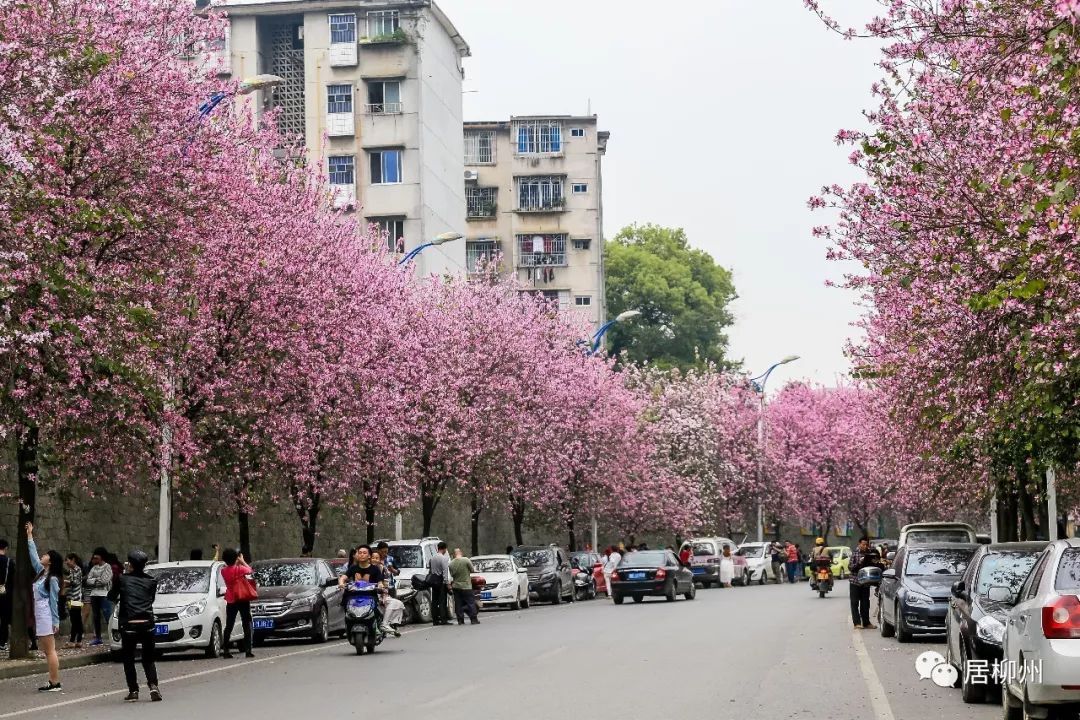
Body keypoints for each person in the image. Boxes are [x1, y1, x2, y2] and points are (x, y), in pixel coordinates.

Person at [109, 550, 161, 702]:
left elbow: (112, 596)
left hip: (129, 624)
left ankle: (133, 690)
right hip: (147, 623)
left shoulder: (121, 579)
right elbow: (150, 600)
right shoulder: (152, 581)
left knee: (129, 658)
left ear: (130, 564)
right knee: (148, 658)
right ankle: (153, 686)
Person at [26, 523, 62, 692]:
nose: (43, 555)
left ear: (51, 561)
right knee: (47, 651)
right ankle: (52, 680)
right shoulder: (42, 573)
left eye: (46, 555)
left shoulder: (53, 579)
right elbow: (33, 556)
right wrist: (29, 536)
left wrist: (56, 621)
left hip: (46, 614)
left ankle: (55, 682)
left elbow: (54, 602)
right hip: (40, 613)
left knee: (50, 650)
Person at [220, 548, 255, 659]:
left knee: (229, 624)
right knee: (246, 623)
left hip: (231, 599)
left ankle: (226, 650)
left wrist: (236, 561)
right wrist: (242, 560)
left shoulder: (223, 571)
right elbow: (250, 571)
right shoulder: (240, 569)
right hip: (242, 598)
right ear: (236, 558)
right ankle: (248, 650)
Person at [849, 537, 882, 629]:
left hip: (865, 581)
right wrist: (859, 563)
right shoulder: (855, 554)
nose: (865, 546)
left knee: (865, 603)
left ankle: (866, 623)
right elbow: (851, 567)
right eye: (863, 544)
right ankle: (857, 623)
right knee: (855, 602)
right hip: (855, 581)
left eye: (866, 544)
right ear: (859, 544)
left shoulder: (870, 553)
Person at [369, 550, 403, 637]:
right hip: (368, 595)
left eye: (377, 558)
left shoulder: (383, 569)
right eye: (373, 558)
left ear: (380, 559)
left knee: (398, 604)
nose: (374, 560)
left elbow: (385, 584)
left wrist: (384, 594)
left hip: (381, 594)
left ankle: (385, 624)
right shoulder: (366, 568)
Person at [85, 547, 112, 646]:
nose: (95, 558)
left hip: (104, 594)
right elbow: (88, 580)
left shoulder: (107, 567)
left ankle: (112, 635)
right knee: (96, 617)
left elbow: (105, 580)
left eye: (97, 557)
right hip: (94, 594)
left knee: (107, 614)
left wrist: (94, 580)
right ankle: (98, 637)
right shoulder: (94, 568)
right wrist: (97, 580)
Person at [449, 549, 478, 625]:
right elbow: (472, 570)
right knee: (470, 603)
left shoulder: (451, 563)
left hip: (456, 587)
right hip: (466, 586)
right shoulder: (466, 560)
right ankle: (473, 619)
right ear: (460, 553)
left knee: (458, 604)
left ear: (454, 554)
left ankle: (460, 620)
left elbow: (451, 575)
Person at [63, 554, 85, 648]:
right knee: (75, 619)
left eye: (67, 560)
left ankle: (73, 641)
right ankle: (78, 640)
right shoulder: (72, 570)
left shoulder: (77, 569)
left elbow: (75, 582)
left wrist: (66, 582)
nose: (66, 562)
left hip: (76, 597)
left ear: (73, 560)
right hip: (72, 597)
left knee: (76, 619)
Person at [427, 542, 452, 626]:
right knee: (442, 601)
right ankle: (443, 619)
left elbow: (431, 570)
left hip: (434, 581)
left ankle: (435, 620)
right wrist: (447, 583)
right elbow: (445, 572)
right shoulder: (443, 558)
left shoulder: (432, 558)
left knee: (434, 601)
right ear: (444, 549)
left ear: (438, 548)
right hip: (441, 582)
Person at [0, 538, 12, 653]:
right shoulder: (9, 562)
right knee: (4, 619)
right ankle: (2, 643)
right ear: (6, 548)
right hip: (5, 594)